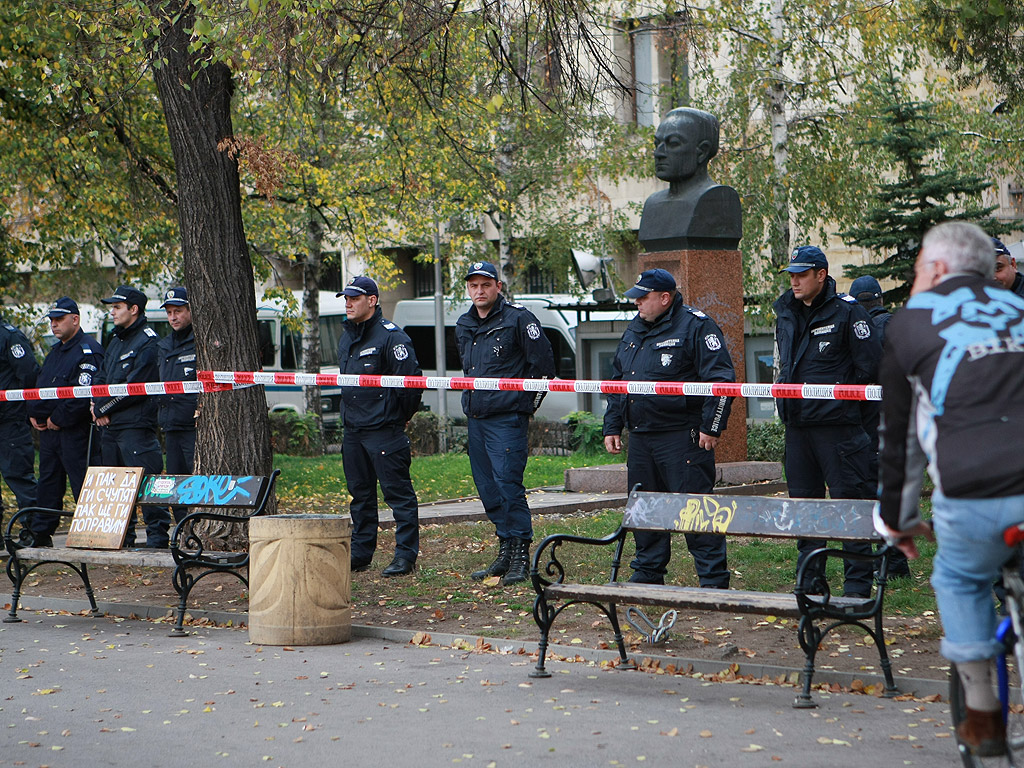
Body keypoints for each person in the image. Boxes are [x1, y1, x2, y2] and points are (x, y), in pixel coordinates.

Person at [876, 221, 1024, 758]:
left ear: (937, 269)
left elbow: (901, 441)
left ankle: (983, 713)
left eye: (917, 267)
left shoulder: (910, 323)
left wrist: (897, 519)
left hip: (975, 491)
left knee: (960, 577)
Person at [602, 269, 736, 586]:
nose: (637, 302)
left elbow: (721, 381)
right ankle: (648, 572)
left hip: (682, 437)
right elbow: (618, 382)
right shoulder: (635, 329)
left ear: (665, 297)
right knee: (646, 509)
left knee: (696, 510)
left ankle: (713, 580)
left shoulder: (696, 326)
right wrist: (613, 424)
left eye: (643, 297)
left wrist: (711, 426)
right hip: (642, 436)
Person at [774, 245, 881, 598]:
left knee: (849, 508)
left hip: (839, 431)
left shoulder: (849, 313)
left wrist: (849, 418)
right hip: (798, 428)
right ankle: (811, 580)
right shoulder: (786, 311)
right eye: (791, 275)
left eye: (801, 275)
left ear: (822, 274)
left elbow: (870, 371)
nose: (794, 281)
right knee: (805, 508)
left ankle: (857, 586)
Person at [456, 261, 555, 586]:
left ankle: (522, 554)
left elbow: (543, 365)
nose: (479, 291)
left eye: (486, 284)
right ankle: (505, 548)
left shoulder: (518, 318)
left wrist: (527, 406)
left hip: (507, 419)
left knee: (508, 485)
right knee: (488, 489)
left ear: (498, 286)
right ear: (468, 288)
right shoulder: (464, 323)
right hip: (477, 418)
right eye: (474, 285)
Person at [337, 276, 423, 577]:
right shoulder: (347, 336)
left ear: (371, 301)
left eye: (354, 298)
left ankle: (405, 555)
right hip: (354, 430)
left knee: (398, 495)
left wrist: (399, 417)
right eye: (345, 298)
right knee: (359, 495)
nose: (347, 303)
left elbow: (411, 385)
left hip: (384, 430)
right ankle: (361, 553)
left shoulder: (391, 338)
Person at [91, 284, 170, 548]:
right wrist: (96, 405)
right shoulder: (115, 340)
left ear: (133, 310)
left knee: (147, 484)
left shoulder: (148, 342)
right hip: (110, 427)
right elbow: (101, 377)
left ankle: (158, 538)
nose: (112, 312)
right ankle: (121, 537)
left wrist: (103, 408)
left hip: (135, 426)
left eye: (117, 307)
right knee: (115, 488)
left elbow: (134, 389)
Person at [26, 298, 105, 546]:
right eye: (51, 320)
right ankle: (41, 533)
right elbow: (41, 388)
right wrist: (35, 414)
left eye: (59, 320)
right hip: (50, 432)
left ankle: (92, 534)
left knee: (82, 483)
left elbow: (82, 395)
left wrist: (56, 419)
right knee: (48, 483)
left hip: (75, 431)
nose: (54, 325)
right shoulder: (55, 352)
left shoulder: (88, 350)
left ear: (75, 319)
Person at [849, 274, 911, 580]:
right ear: (880, 300)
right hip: (896, 421)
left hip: (866, 422)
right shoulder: (895, 326)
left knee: (871, 489)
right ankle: (895, 561)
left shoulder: (855, 326)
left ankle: (886, 561)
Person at [638, 107, 742, 252]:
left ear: (702, 151)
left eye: (673, 143)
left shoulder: (720, 200)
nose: (659, 153)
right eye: (657, 144)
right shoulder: (652, 205)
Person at [157, 287, 197, 523]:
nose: (173, 317)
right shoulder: (163, 346)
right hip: (170, 425)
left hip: (193, 427)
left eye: (179, 311)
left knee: (196, 483)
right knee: (175, 486)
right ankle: (183, 530)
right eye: (170, 312)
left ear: (190, 311)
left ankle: (199, 527)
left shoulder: (199, 342)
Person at [0, 311, 40, 529]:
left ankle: (33, 531)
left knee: (19, 477)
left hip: (10, 421)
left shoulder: (9, 336)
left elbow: (29, 375)